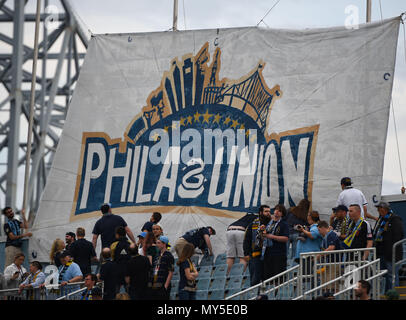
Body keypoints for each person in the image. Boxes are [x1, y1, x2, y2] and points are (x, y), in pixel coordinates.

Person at [372, 201, 404, 292]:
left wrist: (390, 246)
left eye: (379, 208)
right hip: (381, 252)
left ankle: (394, 294)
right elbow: (376, 232)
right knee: (383, 275)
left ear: (384, 209)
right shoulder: (380, 219)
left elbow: (399, 235)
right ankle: (386, 293)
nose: (378, 210)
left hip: (391, 253)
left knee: (391, 275)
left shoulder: (395, 219)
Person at [243, 205, 272, 286]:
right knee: (255, 279)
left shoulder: (273, 224)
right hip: (256, 255)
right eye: (266, 211)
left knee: (267, 279)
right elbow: (247, 239)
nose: (268, 213)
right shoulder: (253, 224)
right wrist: (246, 253)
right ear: (260, 213)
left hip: (269, 255)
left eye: (269, 211)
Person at [262, 204, 290, 280]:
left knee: (278, 277)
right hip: (267, 252)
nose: (277, 212)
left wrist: (272, 236)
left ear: (282, 214)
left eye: (280, 211)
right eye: (276, 209)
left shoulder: (284, 224)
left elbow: (286, 238)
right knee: (267, 277)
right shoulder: (269, 222)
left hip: (278, 254)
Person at [294, 211, 323, 278]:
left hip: (310, 256)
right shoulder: (310, 227)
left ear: (310, 217)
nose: (307, 217)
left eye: (308, 216)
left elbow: (312, 235)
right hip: (305, 256)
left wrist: (303, 230)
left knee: (308, 277)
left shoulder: (316, 227)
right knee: (304, 276)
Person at [317, 220, 342, 293]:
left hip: (334, 263)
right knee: (325, 286)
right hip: (327, 263)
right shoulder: (326, 236)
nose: (319, 232)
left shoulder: (331, 234)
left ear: (323, 228)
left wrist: (319, 255)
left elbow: (331, 247)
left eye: (319, 230)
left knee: (332, 285)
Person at [148, 236, 174, 300]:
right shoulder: (157, 255)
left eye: (159, 243)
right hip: (154, 285)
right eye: (156, 243)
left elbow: (170, 272)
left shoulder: (169, 255)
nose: (157, 245)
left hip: (162, 286)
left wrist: (165, 286)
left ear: (164, 244)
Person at [110, 226, 132, 293]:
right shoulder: (130, 244)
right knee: (129, 292)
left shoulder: (114, 245)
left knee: (116, 291)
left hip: (117, 271)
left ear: (117, 234)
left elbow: (112, 257)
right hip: (128, 271)